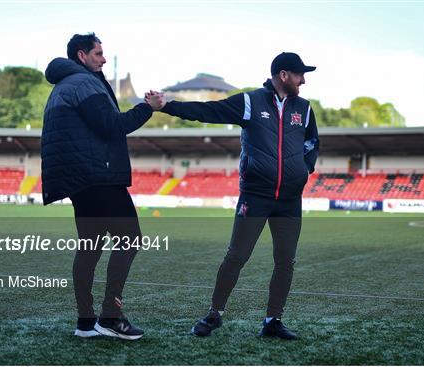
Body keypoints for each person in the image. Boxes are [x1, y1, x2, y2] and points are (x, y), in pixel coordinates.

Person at [146, 52, 319, 339]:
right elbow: (208, 111)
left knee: (285, 261)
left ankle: (273, 321)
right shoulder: (250, 102)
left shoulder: (305, 108)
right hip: (256, 195)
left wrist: (303, 169)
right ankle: (214, 315)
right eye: (301, 74)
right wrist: (166, 106)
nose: (305, 80)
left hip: (289, 199)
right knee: (237, 256)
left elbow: (313, 142)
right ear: (284, 75)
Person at [41, 33, 163, 340]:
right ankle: (110, 317)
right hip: (96, 176)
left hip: (80, 179)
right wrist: (148, 107)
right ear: (82, 56)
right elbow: (113, 126)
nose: (104, 59)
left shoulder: (66, 84)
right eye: (98, 53)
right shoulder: (84, 84)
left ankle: (85, 321)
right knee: (130, 239)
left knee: (90, 247)